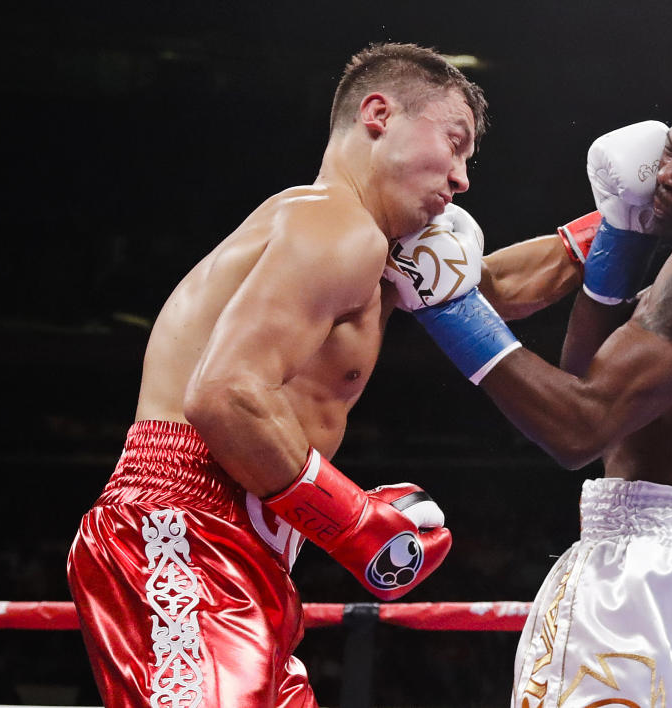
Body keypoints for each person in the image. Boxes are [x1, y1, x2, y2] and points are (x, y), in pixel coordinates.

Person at [67, 40, 583, 707]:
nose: (462, 178)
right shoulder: (335, 227)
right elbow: (224, 395)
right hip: (185, 521)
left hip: (249, 543)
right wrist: (351, 520)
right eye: (454, 143)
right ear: (378, 114)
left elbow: (491, 291)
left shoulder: (368, 252)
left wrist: (630, 220)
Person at [386, 75, 672, 706]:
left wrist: (446, 307)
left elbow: (577, 430)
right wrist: (619, 236)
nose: (666, 175)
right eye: (670, 151)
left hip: (647, 566)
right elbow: (594, 381)